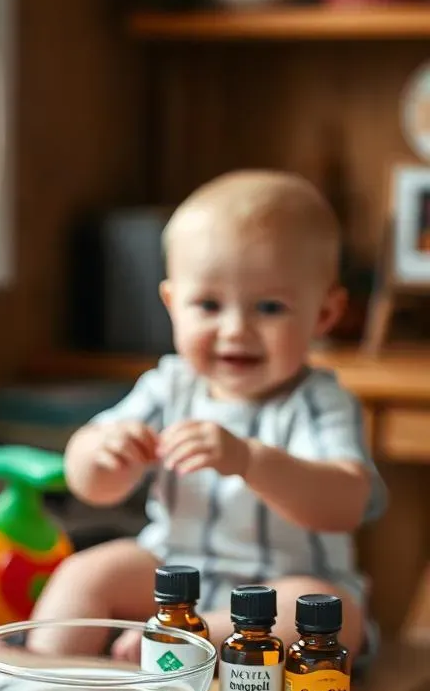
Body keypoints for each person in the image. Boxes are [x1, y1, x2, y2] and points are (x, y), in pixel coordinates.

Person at [32, 170, 386, 658]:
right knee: (85, 572)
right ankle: (41, 680)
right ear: (173, 305)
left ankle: (182, 645)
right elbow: (91, 486)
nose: (235, 330)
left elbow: (345, 502)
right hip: (173, 573)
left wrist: (249, 460)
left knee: (333, 611)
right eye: (209, 305)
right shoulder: (169, 385)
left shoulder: (319, 402)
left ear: (324, 314)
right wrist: (103, 454)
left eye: (268, 307)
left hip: (287, 586)